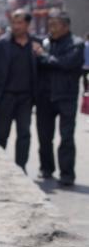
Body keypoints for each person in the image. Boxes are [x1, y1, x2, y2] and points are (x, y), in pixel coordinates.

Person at [34, 10, 84, 186]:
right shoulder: (45, 43)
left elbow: (65, 64)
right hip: (45, 97)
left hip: (66, 96)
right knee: (44, 136)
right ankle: (46, 168)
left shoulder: (76, 44)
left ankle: (67, 173)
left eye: (55, 25)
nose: (51, 29)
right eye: (50, 25)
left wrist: (43, 56)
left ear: (65, 26)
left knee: (66, 137)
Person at [0, 9, 38, 173]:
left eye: (20, 23)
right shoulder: (1, 44)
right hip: (6, 96)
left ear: (27, 24)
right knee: (0, 133)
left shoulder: (36, 45)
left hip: (26, 97)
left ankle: (21, 167)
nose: (16, 26)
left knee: (24, 133)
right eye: (13, 22)